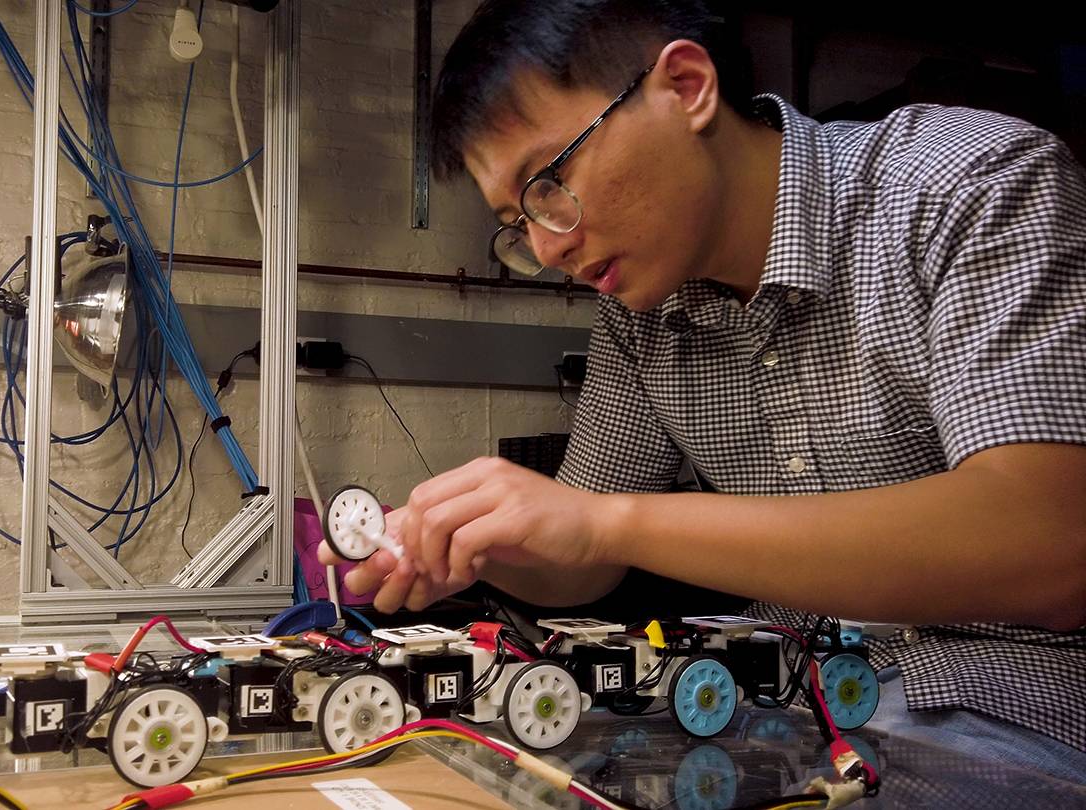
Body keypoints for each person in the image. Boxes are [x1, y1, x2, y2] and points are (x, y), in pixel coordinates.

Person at [319, 0, 1086, 780]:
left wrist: (607, 522)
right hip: (785, 704)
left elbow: (1049, 544)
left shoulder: (967, 184)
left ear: (686, 86)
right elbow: (580, 562)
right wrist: (473, 540)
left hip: (1019, 706)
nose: (549, 246)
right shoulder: (641, 316)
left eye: (549, 182)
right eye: (519, 222)